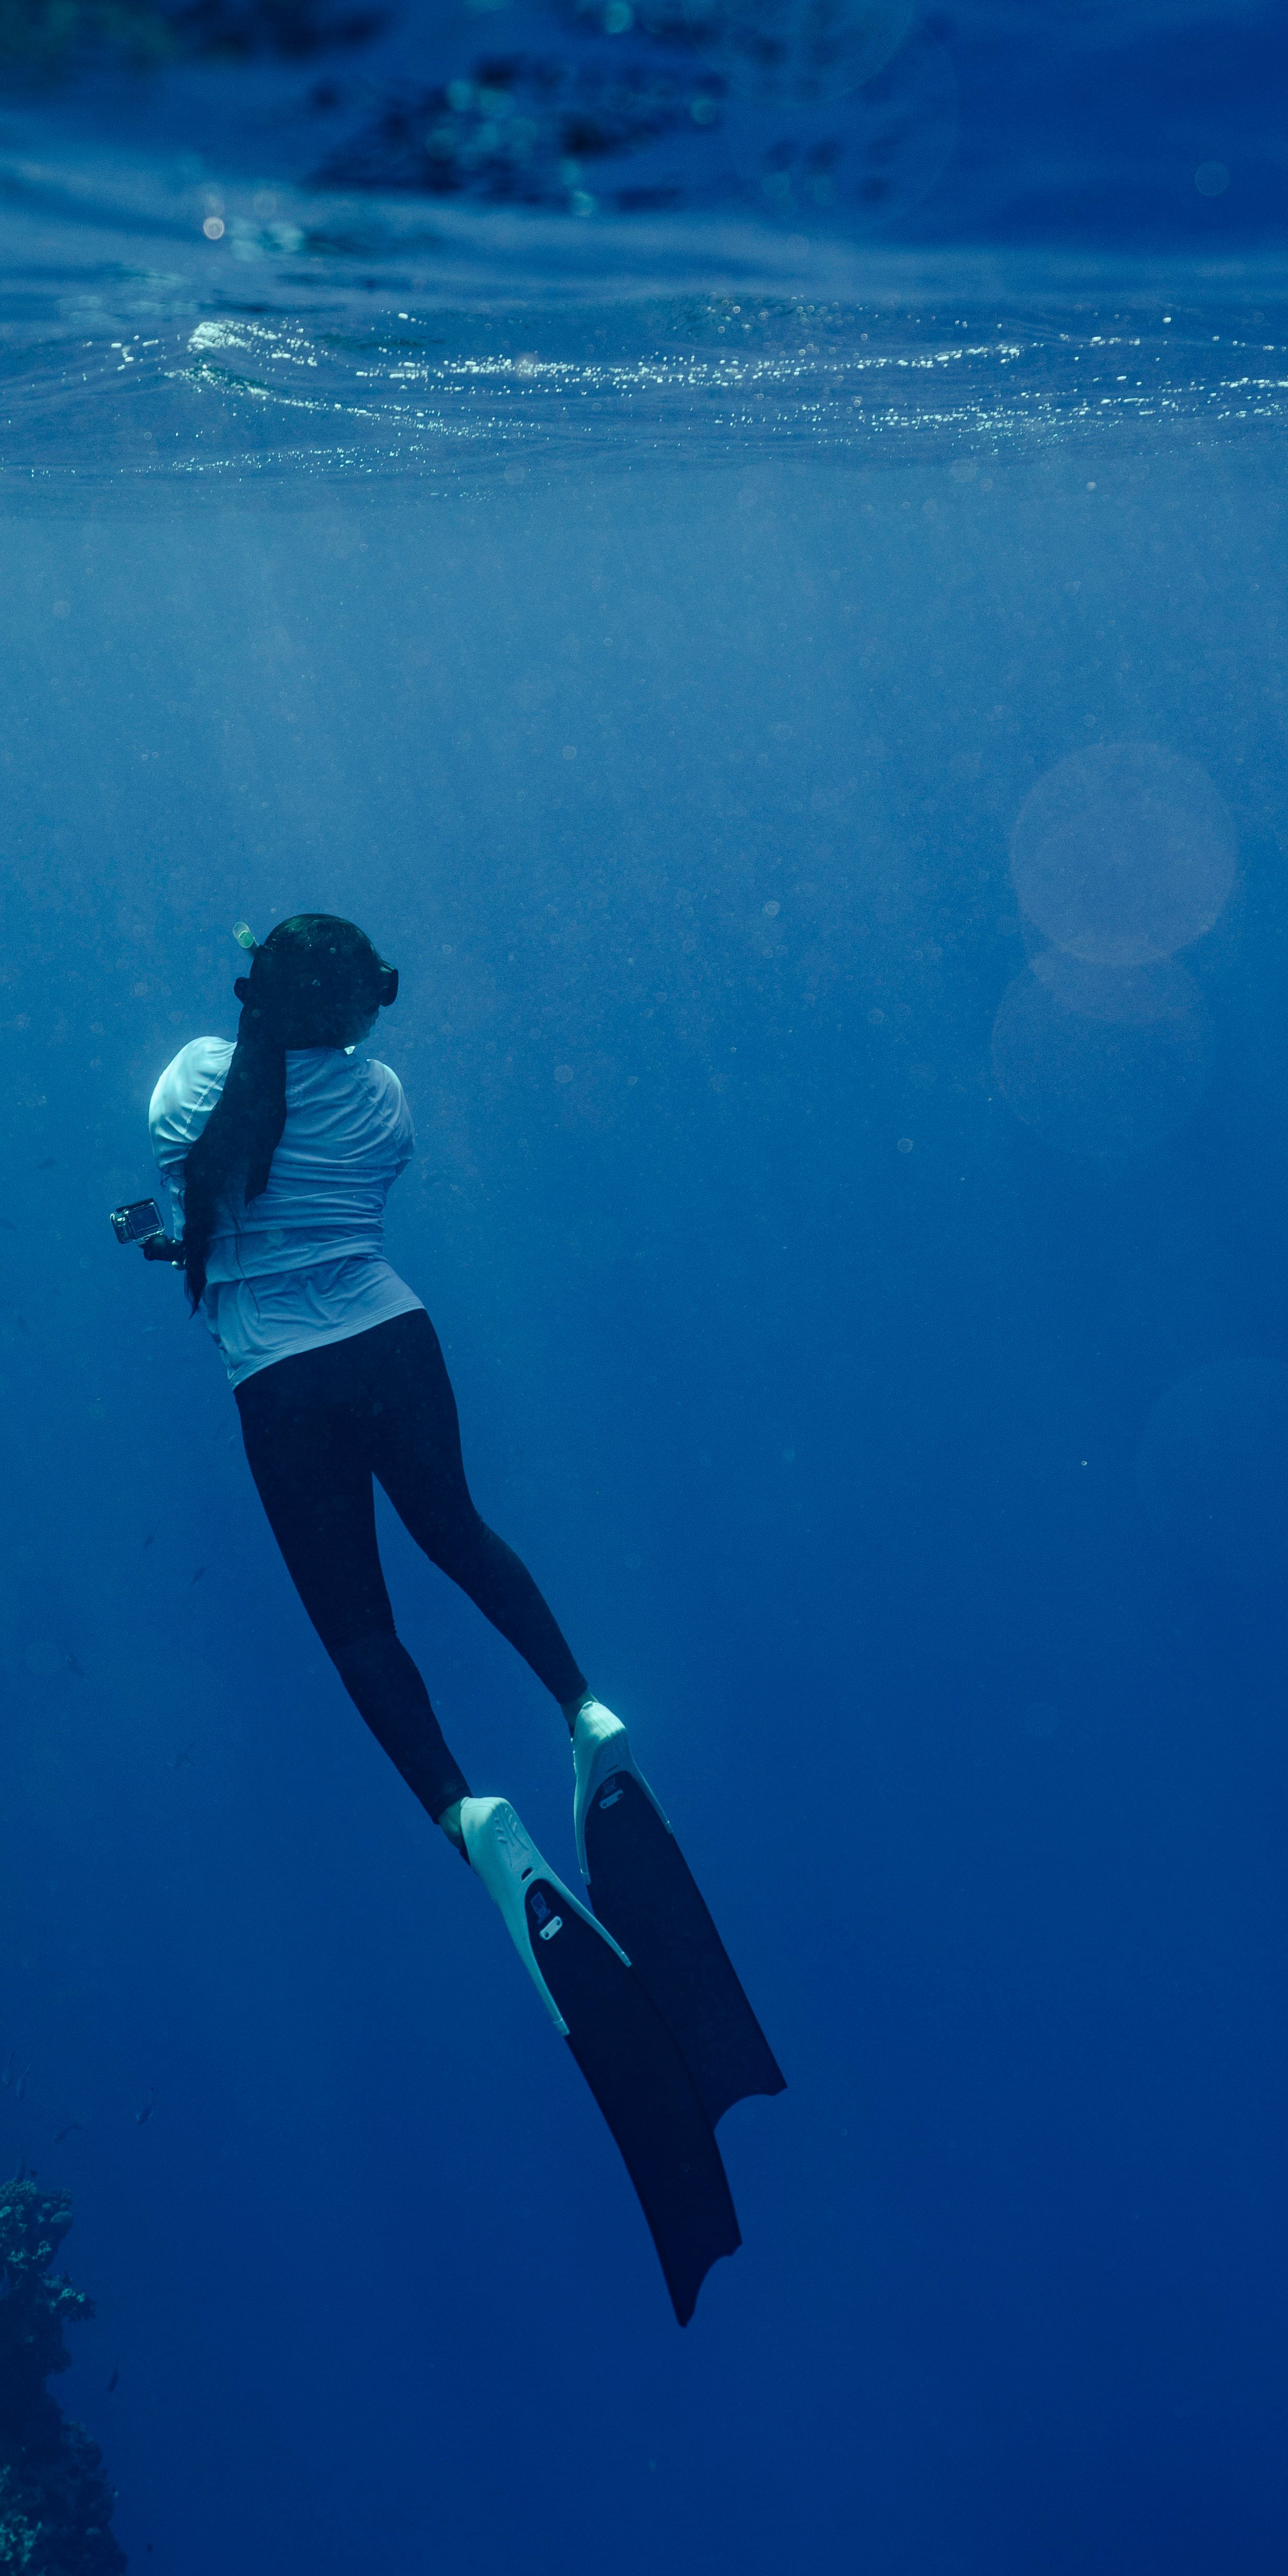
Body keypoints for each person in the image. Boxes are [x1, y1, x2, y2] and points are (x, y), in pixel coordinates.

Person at [141, 911, 782, 2323]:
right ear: (357, 1007)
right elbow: (317, 1181)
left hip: (277, 1380)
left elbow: (219, 1169)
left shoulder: (191, 1080)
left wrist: (182, 1226)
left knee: (359, 1630)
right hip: (390, 1336)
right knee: (462, 1537)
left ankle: (463, 1811)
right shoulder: (381, 1097)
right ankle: (582, 1707)